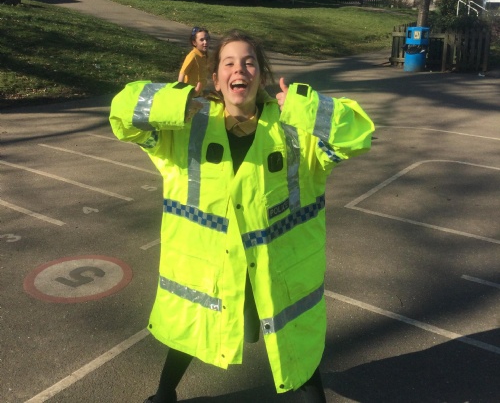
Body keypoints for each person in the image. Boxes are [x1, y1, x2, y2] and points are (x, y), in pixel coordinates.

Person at [109, 30, 375, 403]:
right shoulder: (185, 128)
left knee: (293, 348)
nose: (240, 70)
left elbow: (359, 134)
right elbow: (122, 113)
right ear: (215, 79)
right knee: (191, 333)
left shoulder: (295, 129)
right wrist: (172, 103)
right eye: (229, 63)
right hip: (212, 273)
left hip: (273, 273)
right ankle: (164, 394)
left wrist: (306, 108)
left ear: (262, 76)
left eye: (249, 63)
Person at [177, 26, 210, 94]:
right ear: (194, 42)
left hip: (200, 93)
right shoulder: (193, 55)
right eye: (201, 40)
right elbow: (182, 73)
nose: (205, 42)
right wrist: (179, 92)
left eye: (207, 39)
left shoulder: (206, 55)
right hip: (190, 93)